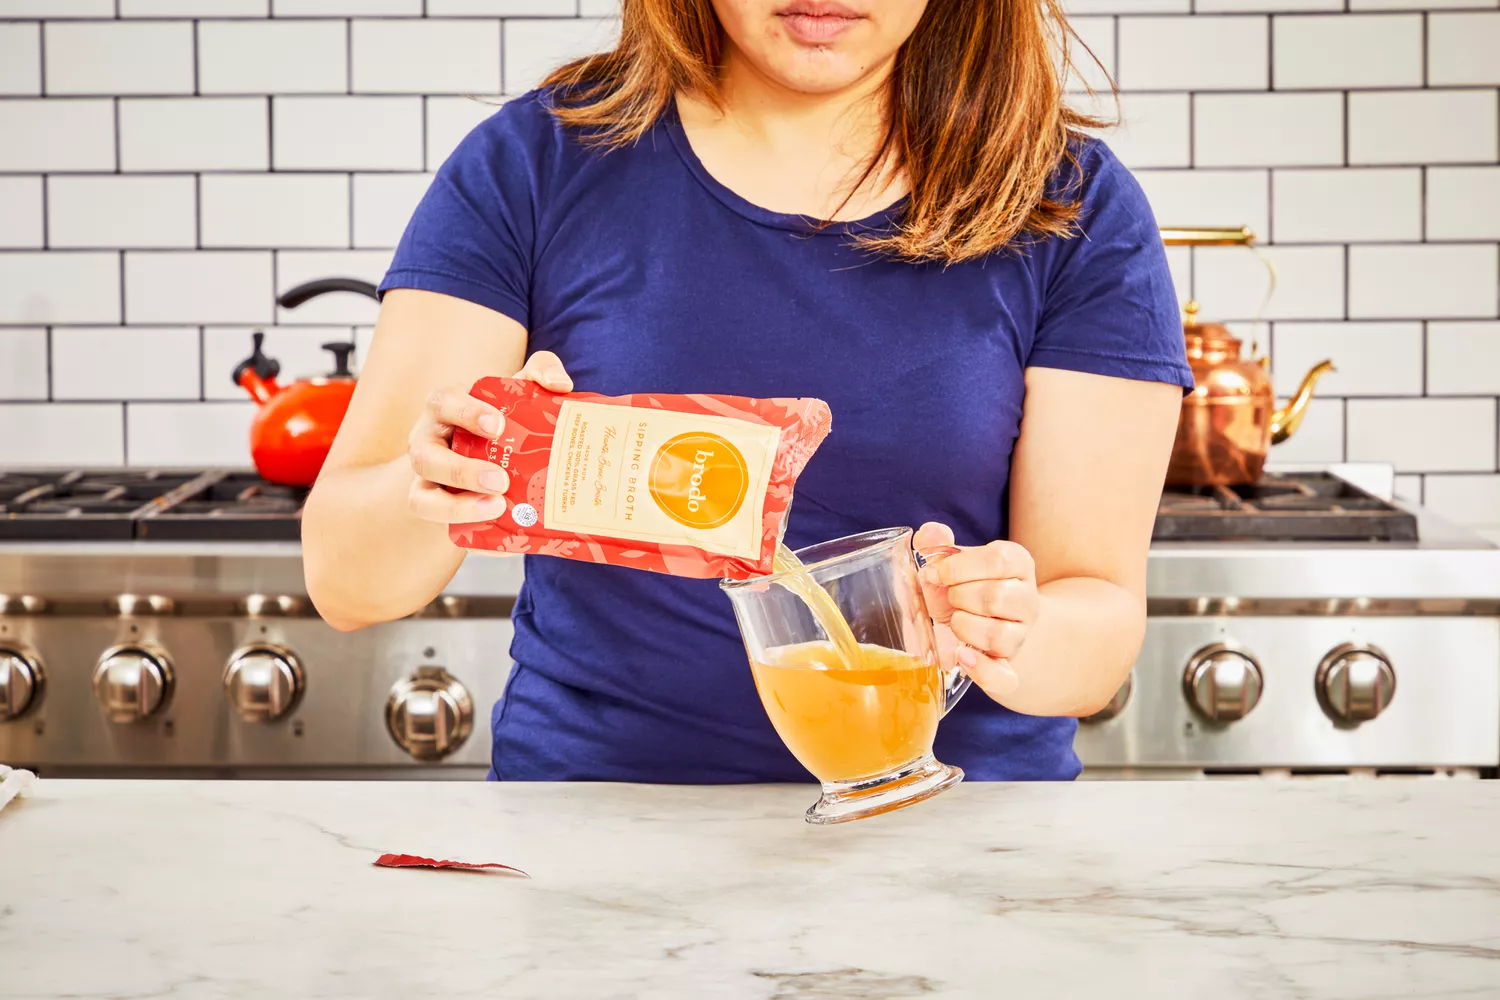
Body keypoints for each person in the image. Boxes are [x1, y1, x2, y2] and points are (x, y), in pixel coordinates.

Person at [301, 0, 1192, 782]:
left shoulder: (1071, 206)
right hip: (599, 837)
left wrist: (1015, 632)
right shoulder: (536, 163)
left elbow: (1100, 618)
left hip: (960, 844)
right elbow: (346, 584)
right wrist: (441, 483)